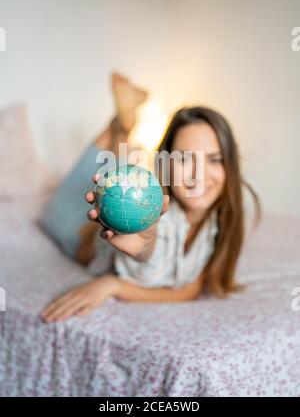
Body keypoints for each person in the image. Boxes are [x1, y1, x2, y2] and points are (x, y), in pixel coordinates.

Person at [40, 73, 260, 322]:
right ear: (165, 165)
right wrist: (145, 241)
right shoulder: (157, 214)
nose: (199, 175)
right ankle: (121, 128)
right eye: (185, 159)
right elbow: (147, 250)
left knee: (113, 174)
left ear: (230, 165)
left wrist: (113, 286)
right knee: (81, 193)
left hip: (101, 221)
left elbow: (191, 288)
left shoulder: (221, 217)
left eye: (214, 159)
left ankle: (121, 127)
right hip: (73, 229)